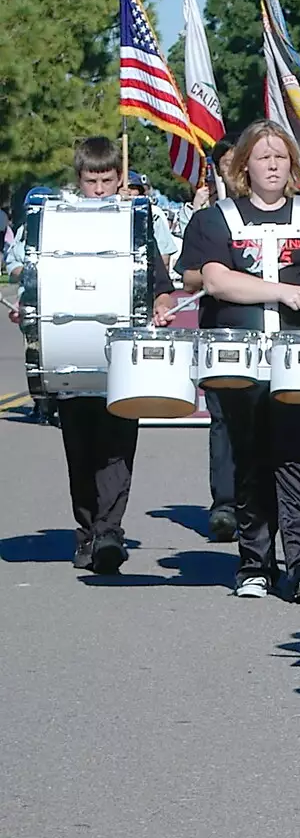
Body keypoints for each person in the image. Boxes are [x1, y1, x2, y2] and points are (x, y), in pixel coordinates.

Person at [179, 120, 300, 603]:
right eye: (262, 156)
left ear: (291, 166)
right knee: (251, 459)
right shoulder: (216, 219)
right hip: (238, 359)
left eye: (280, 157)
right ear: (244, 165)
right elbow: (217, 282)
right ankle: (255, 564)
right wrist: (284, 291)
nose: (272, 164)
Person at [5, 140, 178, 573]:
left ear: (119, 179)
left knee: (118, 447)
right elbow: (36, 275)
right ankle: (86, 532)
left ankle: (109, 534)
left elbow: (158, 277)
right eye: (91, 180)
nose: (100, 189)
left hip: (122, 355)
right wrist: (27, 308)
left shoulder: (136, 224)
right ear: (78, 179)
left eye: (107, 180)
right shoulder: (58, 221)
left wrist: (161, 301)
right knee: (79, 451)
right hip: (70, 352)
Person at [186, 147, 238, 543]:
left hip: (276, 333)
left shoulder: (294, 218)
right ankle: (225, 504)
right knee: (223, 419)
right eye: (226, 166)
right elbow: (187, 277)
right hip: (221, 331)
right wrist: (219, 275)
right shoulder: (207, 220)